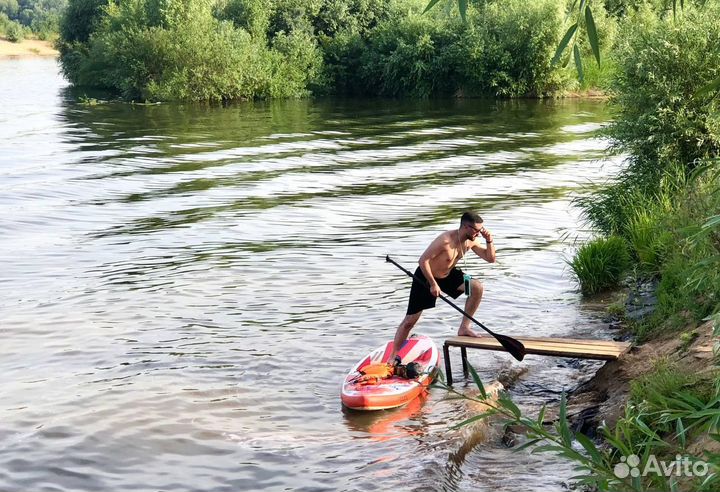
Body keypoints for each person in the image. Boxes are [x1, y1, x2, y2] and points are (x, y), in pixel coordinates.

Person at [389, 211, 495, 362]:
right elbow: (423, 260)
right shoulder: (445, 240)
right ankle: (394, 355)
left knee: (476, 287)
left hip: (448, 275)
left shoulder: (470, 241)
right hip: (426, 277)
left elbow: (490, 259)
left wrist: (489, 241)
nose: (479, 234)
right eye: (477, 230)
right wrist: (432, 284)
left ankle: (464, 327)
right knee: (410, 321)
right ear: (466, 227)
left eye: (481, 230)